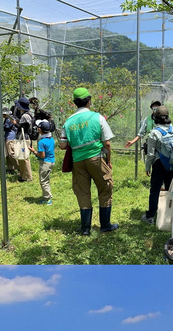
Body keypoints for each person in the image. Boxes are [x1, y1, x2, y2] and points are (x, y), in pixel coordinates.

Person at [60, 87, 117, 235]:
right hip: (96, 159)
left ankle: (85, 229)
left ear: (74, 103)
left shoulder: (68, 122)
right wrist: (108, 161)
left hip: (78, 162)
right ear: (89, 100)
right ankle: (105, 225)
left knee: (83, 192)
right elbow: (107, 144)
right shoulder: (97, 117)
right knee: (105, 189)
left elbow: (63, 145)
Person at [141, 106, 173, 225]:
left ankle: (150, 215)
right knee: (170, 189)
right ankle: (169, 214)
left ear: (155, 118)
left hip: (159, 164)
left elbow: (151, 154)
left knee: (155, 189)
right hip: (172, 163)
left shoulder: (154, 133)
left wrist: (147, 167)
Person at [28, 121, 55, 205]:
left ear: (40, 129)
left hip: (45, 163)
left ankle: (47, 199)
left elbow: (42, 155)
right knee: (46, 180)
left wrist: (34, 151)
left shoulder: (41, 142)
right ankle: (47, 195)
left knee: (43, 181)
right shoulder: (51, 139)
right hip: (51, 161)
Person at [0, 107, 19, 173]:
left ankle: (19, 168)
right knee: (8, 155)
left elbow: (4, 128)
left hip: (10, 138)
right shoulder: (7, 118)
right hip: (7, 137)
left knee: (11, 154)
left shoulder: (9, 119)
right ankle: (10, 168)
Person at [12, 97, 33, 182]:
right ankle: (24, 175)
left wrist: (15, 123)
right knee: (22, 157)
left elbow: (22, 128)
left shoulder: (25, 116)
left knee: (24, 158)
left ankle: (27, 177)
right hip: (26, 138)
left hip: (23, 138)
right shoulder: (29, 114)